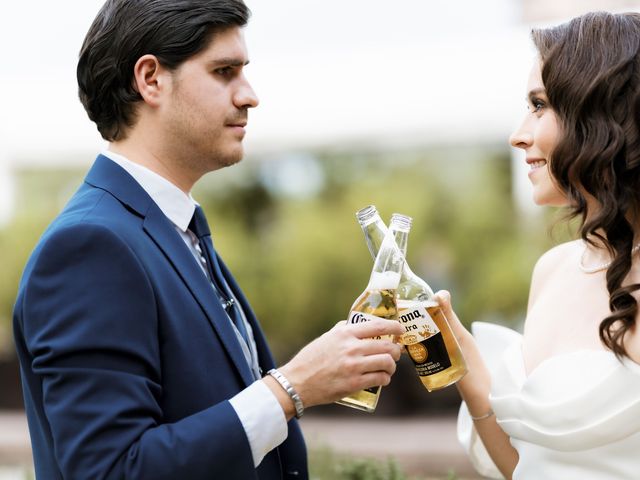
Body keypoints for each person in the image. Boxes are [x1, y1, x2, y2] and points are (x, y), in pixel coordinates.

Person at [12, 1, 404, 479]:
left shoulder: (175, 230)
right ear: (150, 79)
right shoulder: (90, 247)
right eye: (224, 71)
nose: (250, 95)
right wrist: (291, 388)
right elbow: (111, 470)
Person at [435, 11, 640, 480]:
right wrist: (462, 360)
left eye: (539, 105)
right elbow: (527, 467)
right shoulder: (553, 269)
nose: (517, 134)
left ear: (604, 115)